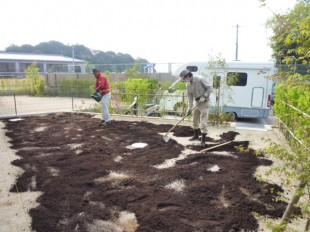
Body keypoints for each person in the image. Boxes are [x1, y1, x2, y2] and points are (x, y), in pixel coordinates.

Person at [179, 69, 213, 146]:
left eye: (184, 78)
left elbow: (210, 88)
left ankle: (203, 140)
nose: (184, 80)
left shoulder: (200, 79)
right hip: (196, 102)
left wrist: (204, 96)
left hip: (204, 102)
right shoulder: (188, 85)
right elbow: (190, 97)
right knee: (194, 120)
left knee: (203, 122)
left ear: (188, 76)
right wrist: (189, 108)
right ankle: (196, 135)